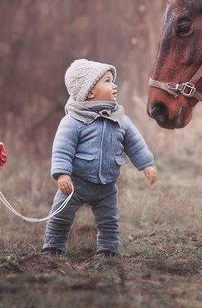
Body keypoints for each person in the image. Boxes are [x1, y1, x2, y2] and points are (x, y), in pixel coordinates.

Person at [42, 58, 158, 256]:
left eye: (113, 80)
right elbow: (62, 148)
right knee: (61, 215)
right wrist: (62, 174)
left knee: (109, 220)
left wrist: (146, 164)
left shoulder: (120, 118)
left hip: (106, 185)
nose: (114, 85)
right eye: (106, 81)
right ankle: (53, 247)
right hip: (76, 184)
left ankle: (108, 250)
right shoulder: (74, 120)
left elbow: (135, 143)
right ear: (89, 92)